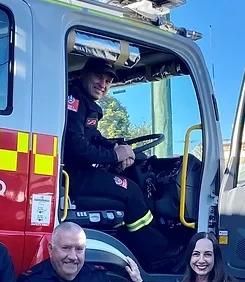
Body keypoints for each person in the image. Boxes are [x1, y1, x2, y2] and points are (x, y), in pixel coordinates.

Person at [65, 57, 169, 265]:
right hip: (74, 177)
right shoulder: (74, 100)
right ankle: (155, 255)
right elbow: (75, 146)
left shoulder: (84, 101)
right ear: (85, 74)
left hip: (78, 173)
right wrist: (114, 156)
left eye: (108, 80)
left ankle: (136, 243)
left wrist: (117, 148)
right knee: (131, 190)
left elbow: (93, 138)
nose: (102, 84)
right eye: (98, 76)